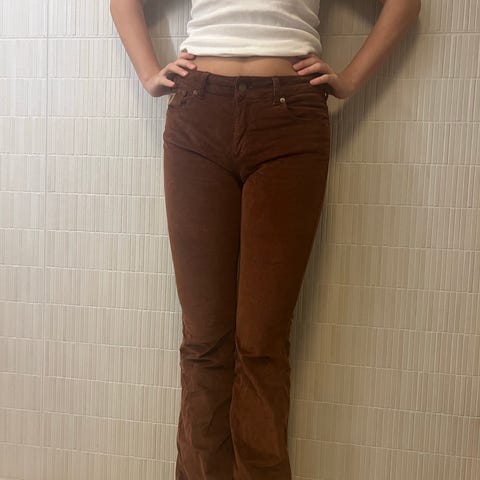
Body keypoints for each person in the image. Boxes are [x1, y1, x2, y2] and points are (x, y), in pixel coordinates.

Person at [110, 1, 421, 479]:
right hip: (198, 112)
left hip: (290, 117)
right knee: (204, 340)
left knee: (262, 344)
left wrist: (349, 79)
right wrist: (149, 74)